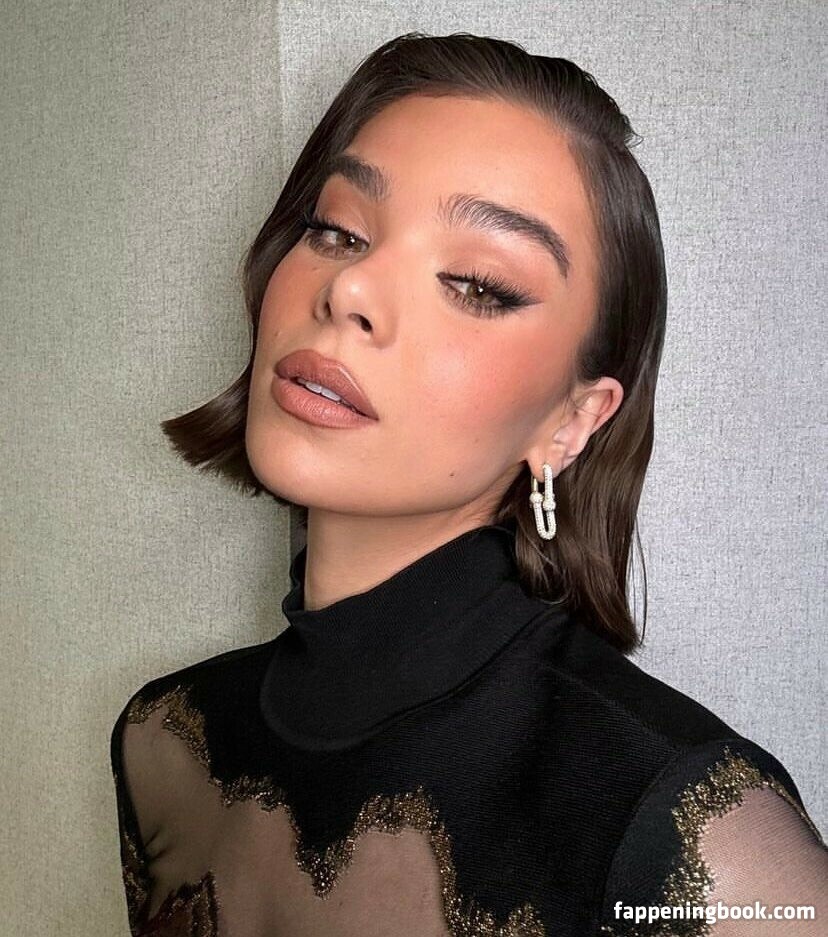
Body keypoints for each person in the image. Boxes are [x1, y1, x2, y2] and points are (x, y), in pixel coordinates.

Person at [109, 31, 827, 937]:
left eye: (479, 285)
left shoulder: (693, 829)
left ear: (571, 420)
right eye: (337, 230)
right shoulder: (164, 740)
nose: (350, 287)